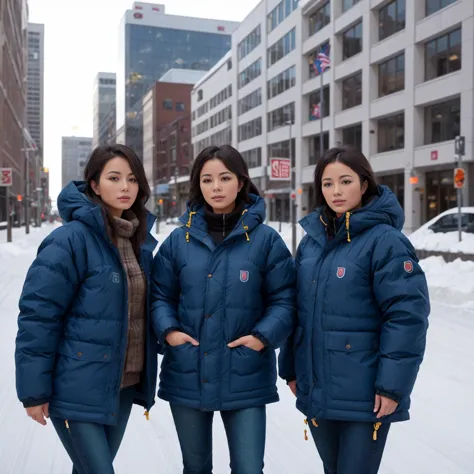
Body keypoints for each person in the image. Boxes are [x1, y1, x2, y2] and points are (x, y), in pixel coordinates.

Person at [279, 147, 430, 474]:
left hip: (366, 395)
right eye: (327, 183)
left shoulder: (386, 241)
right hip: (318, 388)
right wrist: (291, 367)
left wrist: (392, 387)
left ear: (364, 185)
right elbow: (298, 310)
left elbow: (406, 316)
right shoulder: (311, 243)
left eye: (345, 181)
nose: (336, 191)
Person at [151, 145, 296, 474]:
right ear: (197, 185)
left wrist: (261, 337)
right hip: (188, 370)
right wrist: (170, 331)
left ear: (241, 182)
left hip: (245, 373)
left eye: (224, 177)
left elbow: (285, 298)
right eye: (207, 179)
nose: (215, 187)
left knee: (248, 468)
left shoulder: (266, 241)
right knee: (196, 467)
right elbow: (159, 294)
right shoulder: (178, 241)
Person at [15, 145, 159, 474]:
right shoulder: (70, 240)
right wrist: (34, 391)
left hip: (122, 384)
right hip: (76, 385)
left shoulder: (140, 243)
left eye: (132, 179)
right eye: (114, 178)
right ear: (94, 184)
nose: (125, 187)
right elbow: (39, 316)